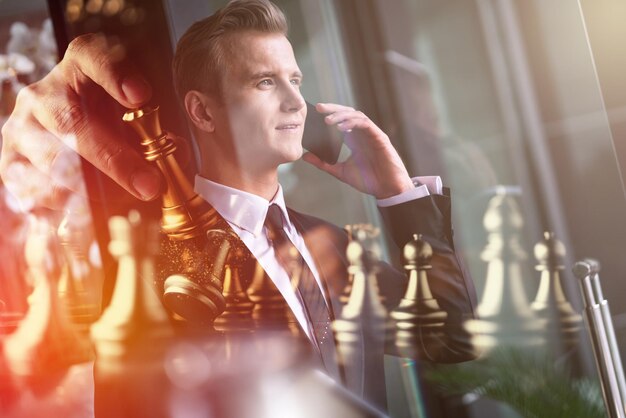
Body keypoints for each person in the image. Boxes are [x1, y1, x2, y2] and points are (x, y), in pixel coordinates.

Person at [0, 0, 477, 411]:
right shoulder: (154, 268)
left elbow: (453, 336)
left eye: (296, 79)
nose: (297, 102)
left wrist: (399, 193)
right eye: (266, 82)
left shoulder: (333, 244)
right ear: (203, 111)